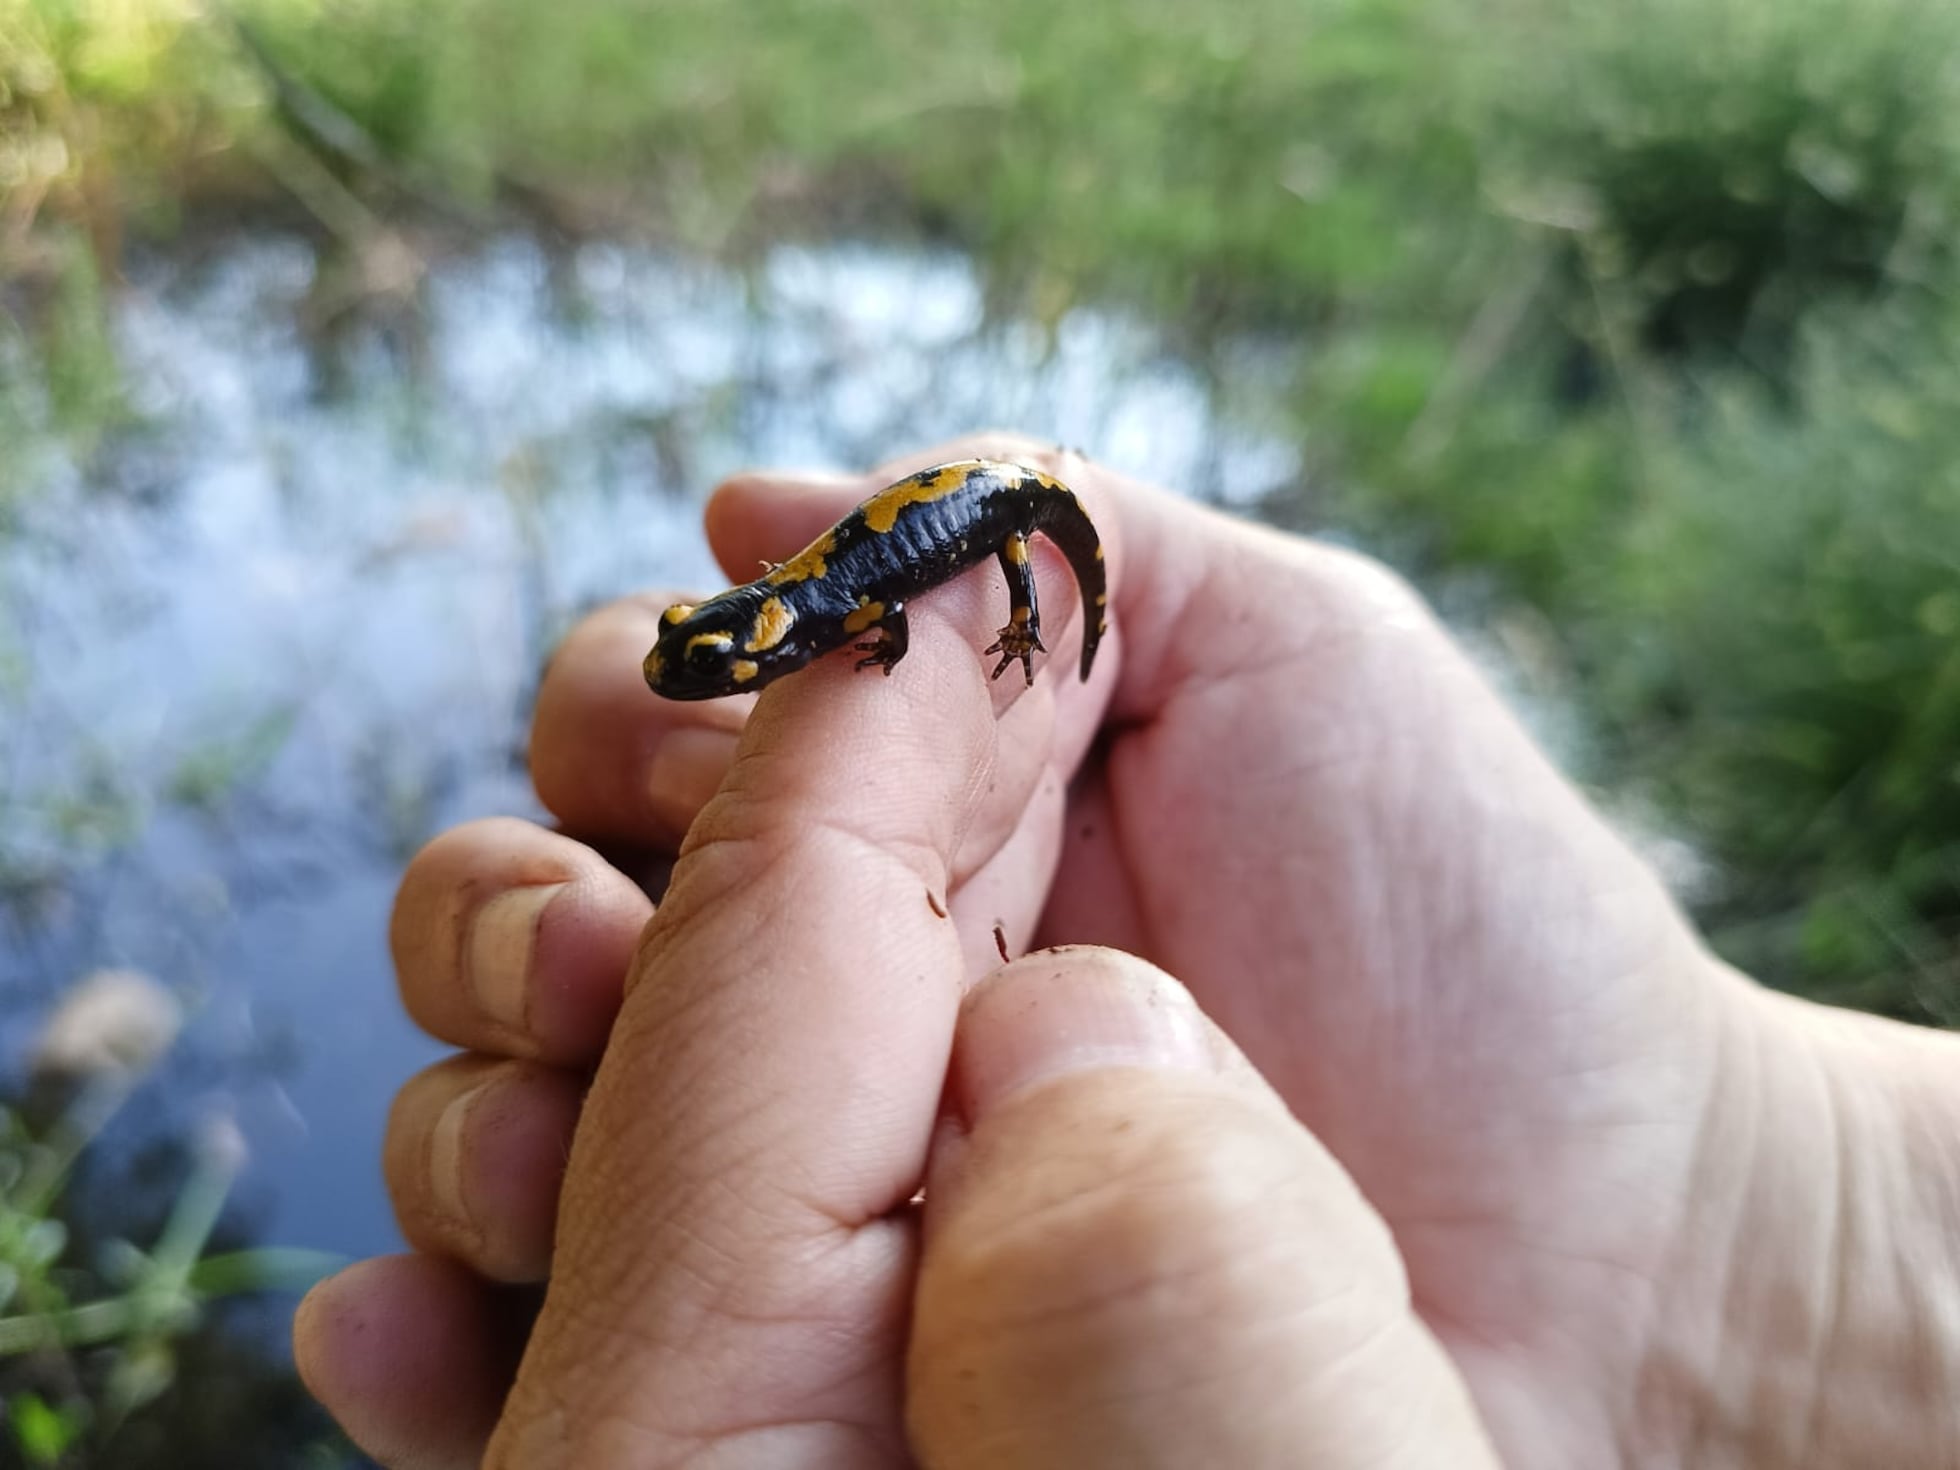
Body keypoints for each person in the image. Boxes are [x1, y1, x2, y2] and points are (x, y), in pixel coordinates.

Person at [293, 434, 1960, 1469]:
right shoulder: (802, 614)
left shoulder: (828, 612)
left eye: (714, 648)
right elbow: (835, 599)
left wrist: (1023, 609)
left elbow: (893, 586)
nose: (704, 657)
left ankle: (1032, 611)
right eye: (706, 648)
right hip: (958, 517)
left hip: (1001, 511)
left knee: (980, 582)